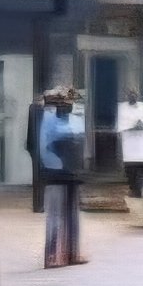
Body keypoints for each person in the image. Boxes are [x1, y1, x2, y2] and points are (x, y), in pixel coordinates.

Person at [34, 86, 88, 268]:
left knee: (73, 215)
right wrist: (58, 162)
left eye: (70, 102)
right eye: (64, 102)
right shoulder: (48, 120)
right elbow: (44, 148)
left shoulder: (75, 120)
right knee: (55, 214)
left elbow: (80, 142)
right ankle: (52, 255)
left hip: (72, 172)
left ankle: (72, 253)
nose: (68, 106)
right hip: (55, 172)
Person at [117, 88, 143, 206]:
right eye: (130, 94)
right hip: (129, 143)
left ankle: (139, 190)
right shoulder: (122, 108)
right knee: (130, 170)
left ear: (138, 95)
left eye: (135, 94)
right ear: (126, 95)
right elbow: (120, 124)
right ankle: (134, 189)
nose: (132, 96)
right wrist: (132, 126)